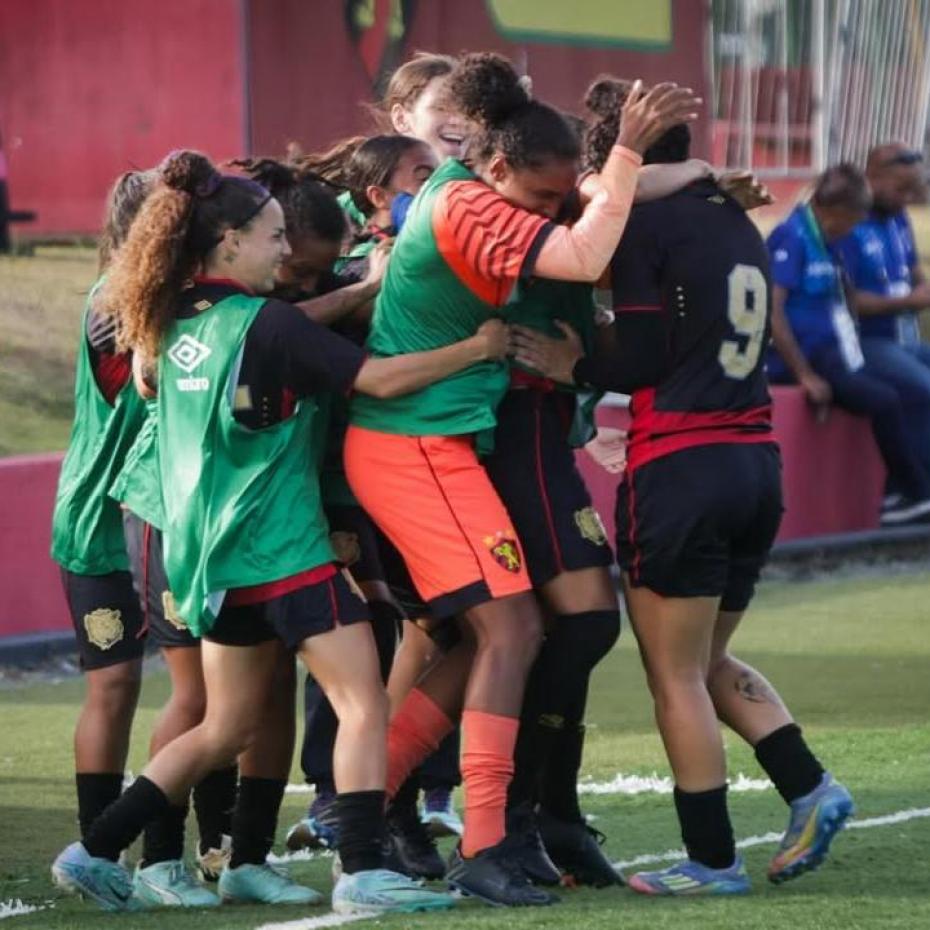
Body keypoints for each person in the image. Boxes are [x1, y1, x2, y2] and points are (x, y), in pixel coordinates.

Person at [51, 149, 511, 915]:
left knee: (224, 724)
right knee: (363, 702)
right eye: (272, 237)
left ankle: (95, 848)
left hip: (209, 560)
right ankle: (363, 872)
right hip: (283, 547)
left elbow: (159, 388)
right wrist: (476, 348)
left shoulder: (171, 323)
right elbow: (377, 380)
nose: (283, 250)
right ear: (228, 243)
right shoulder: (264, 325)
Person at [344, 51, 699, 906]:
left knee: (498, 634)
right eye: (540, 195)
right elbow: (581, 252)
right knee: (511, 630)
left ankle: (377, 811)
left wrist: (675, 173)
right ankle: (483, 837)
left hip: (438, 444)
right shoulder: (467, 203)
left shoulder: (468, 191)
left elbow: (581, 218)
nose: (548, 208)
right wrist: (630, 152)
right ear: (499, 165)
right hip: (414, 446)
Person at [512, 118, 854, 896]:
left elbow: (640, 357)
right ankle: (810, 786)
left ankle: (712, 860)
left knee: (675, 676)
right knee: (703, 662)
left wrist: (575, 363)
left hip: (681, 466)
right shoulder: (733, 213)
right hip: (754, 463)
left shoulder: (647, 222)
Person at [49, 169, 153, 874]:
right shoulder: (117, 301)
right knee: (113, 686)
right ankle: (98, 846)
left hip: (135, 516)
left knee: (136, 686)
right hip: (98, 522)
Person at [766, 164, 930, 524]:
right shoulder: (792, 236)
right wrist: (805, 375)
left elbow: (842, 299)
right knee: (885, 399)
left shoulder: (830, 241)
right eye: (851, 221)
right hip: (808, 358)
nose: (853, 229)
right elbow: (772, 311)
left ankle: (903, 494)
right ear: (832, 211)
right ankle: (912, 493)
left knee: (896, 390)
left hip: (835, 352)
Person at [837, 143, 930, 488]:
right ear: (872, 177)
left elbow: (913, 269)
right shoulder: (848, 223)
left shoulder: (897, 218)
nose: (908, 198)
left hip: (904, 338)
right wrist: (906, 301)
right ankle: (913, 490)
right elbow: (846, 302)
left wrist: (922, 288)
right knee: (922, 388)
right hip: (866, 340)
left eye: (914, 190)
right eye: (901, 188)